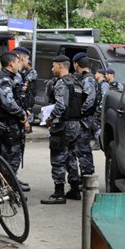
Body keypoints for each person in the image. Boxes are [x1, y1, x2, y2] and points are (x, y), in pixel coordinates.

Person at [41, 54, 86, 205]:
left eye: (54, 65)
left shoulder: (61, 83)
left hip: (63, 125)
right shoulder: (76, 82)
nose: (52, 69)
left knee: (58, 158)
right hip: (75, 124)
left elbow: (60, 105)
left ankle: (59, 193)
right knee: (71, 157)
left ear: (61, 65)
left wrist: (49, 118)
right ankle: (74, 189)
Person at [0, 52, 31, 192]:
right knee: (10, 155)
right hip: (7, 123)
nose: (19, 64)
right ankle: (8, 186)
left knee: (9, 155)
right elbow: (8, 103)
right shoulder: (3, 80)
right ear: (11, 63)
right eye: (17, 62)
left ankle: (9, 181)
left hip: (8, 122)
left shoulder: (6, 77)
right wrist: (21, 113)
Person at [63, 52, 97, 200]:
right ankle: (83, 182)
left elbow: (89, 100)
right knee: (79, 150)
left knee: (83, 151)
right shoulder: (84, 78)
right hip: (82, 119)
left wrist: (78, 111)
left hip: (84, 120)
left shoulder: (88, 79)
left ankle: (88, 181)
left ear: (76, 64)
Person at [13, 46, 38, 128]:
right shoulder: (16, 75)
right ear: (23, 58)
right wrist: (22, 114)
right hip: (14, 118)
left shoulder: (24, 74)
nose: (27, 61)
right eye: (27, 58)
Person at [94, 69, 110, 149]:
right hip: (98, 108)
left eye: (96, 73)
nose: (95, 74)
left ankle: (99, 143)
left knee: (99, 126)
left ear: (100, 74)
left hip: (101, 109)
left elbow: (104, 97)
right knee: (96, 126)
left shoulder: (104, 84)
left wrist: (100, 108)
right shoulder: (99, 84)